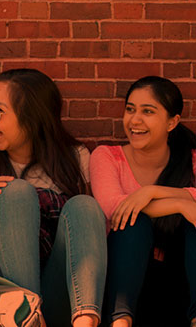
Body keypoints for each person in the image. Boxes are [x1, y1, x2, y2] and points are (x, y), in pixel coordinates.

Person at [0, 68, 107, 327]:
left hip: (53, 290)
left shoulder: (75, 157)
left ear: (32, 117)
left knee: (85, 205)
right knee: (14, 191)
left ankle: (85, 320)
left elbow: (84, 237)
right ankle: (28, 316)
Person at [90, 76, 196, 327]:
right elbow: (116, 208)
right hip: (125, 286)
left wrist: (152, 191)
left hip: (180, 286)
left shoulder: (190, 160)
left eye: (147, 111)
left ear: (172, 122)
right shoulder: (106, 157)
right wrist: (181, 203)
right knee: (131, 223)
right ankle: (120, 323)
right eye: (130, 109)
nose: (135, 120)